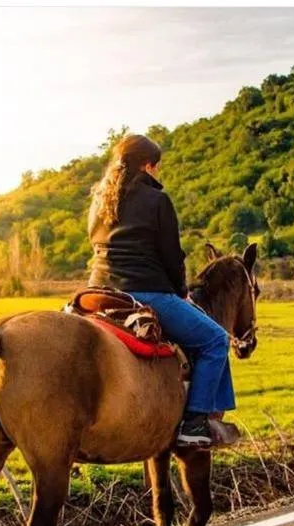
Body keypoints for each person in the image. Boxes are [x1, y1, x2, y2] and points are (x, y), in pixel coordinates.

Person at [87, 134, 237, 447]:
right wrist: (181, 291)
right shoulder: (157, 200)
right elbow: (171, 256)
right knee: (215, 340)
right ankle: (195, 423)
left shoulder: (100, 200)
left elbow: (95, 244)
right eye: (157, 166)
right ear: (148, 166)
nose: (158, 172)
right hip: (145, 292)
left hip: (98, 291)